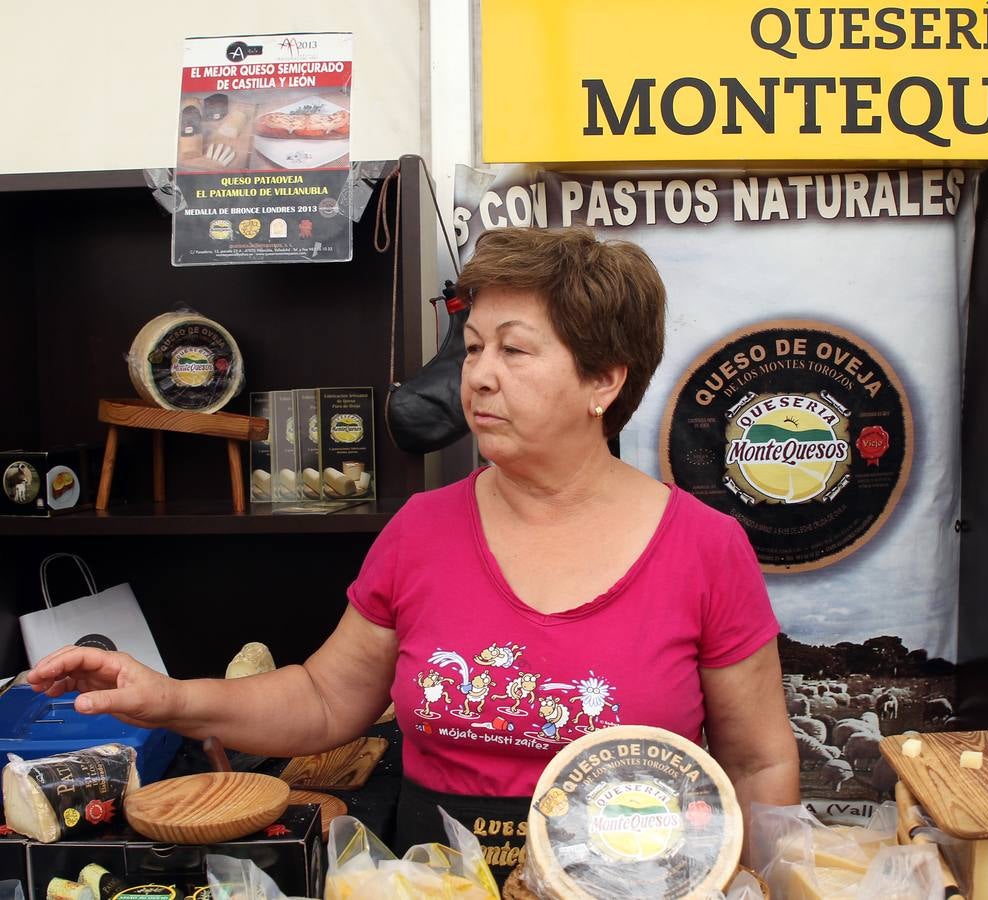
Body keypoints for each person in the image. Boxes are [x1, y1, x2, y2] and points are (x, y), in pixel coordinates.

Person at [29, 226, 799, 885]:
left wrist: (758, 885)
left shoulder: (703, 547)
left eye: (515, 350)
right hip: (440, 884)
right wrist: (166, 698)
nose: (480, 375)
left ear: (604, 378)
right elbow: (325, 701)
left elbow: (760, 763)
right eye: (472, 349)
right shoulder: (421, 531)